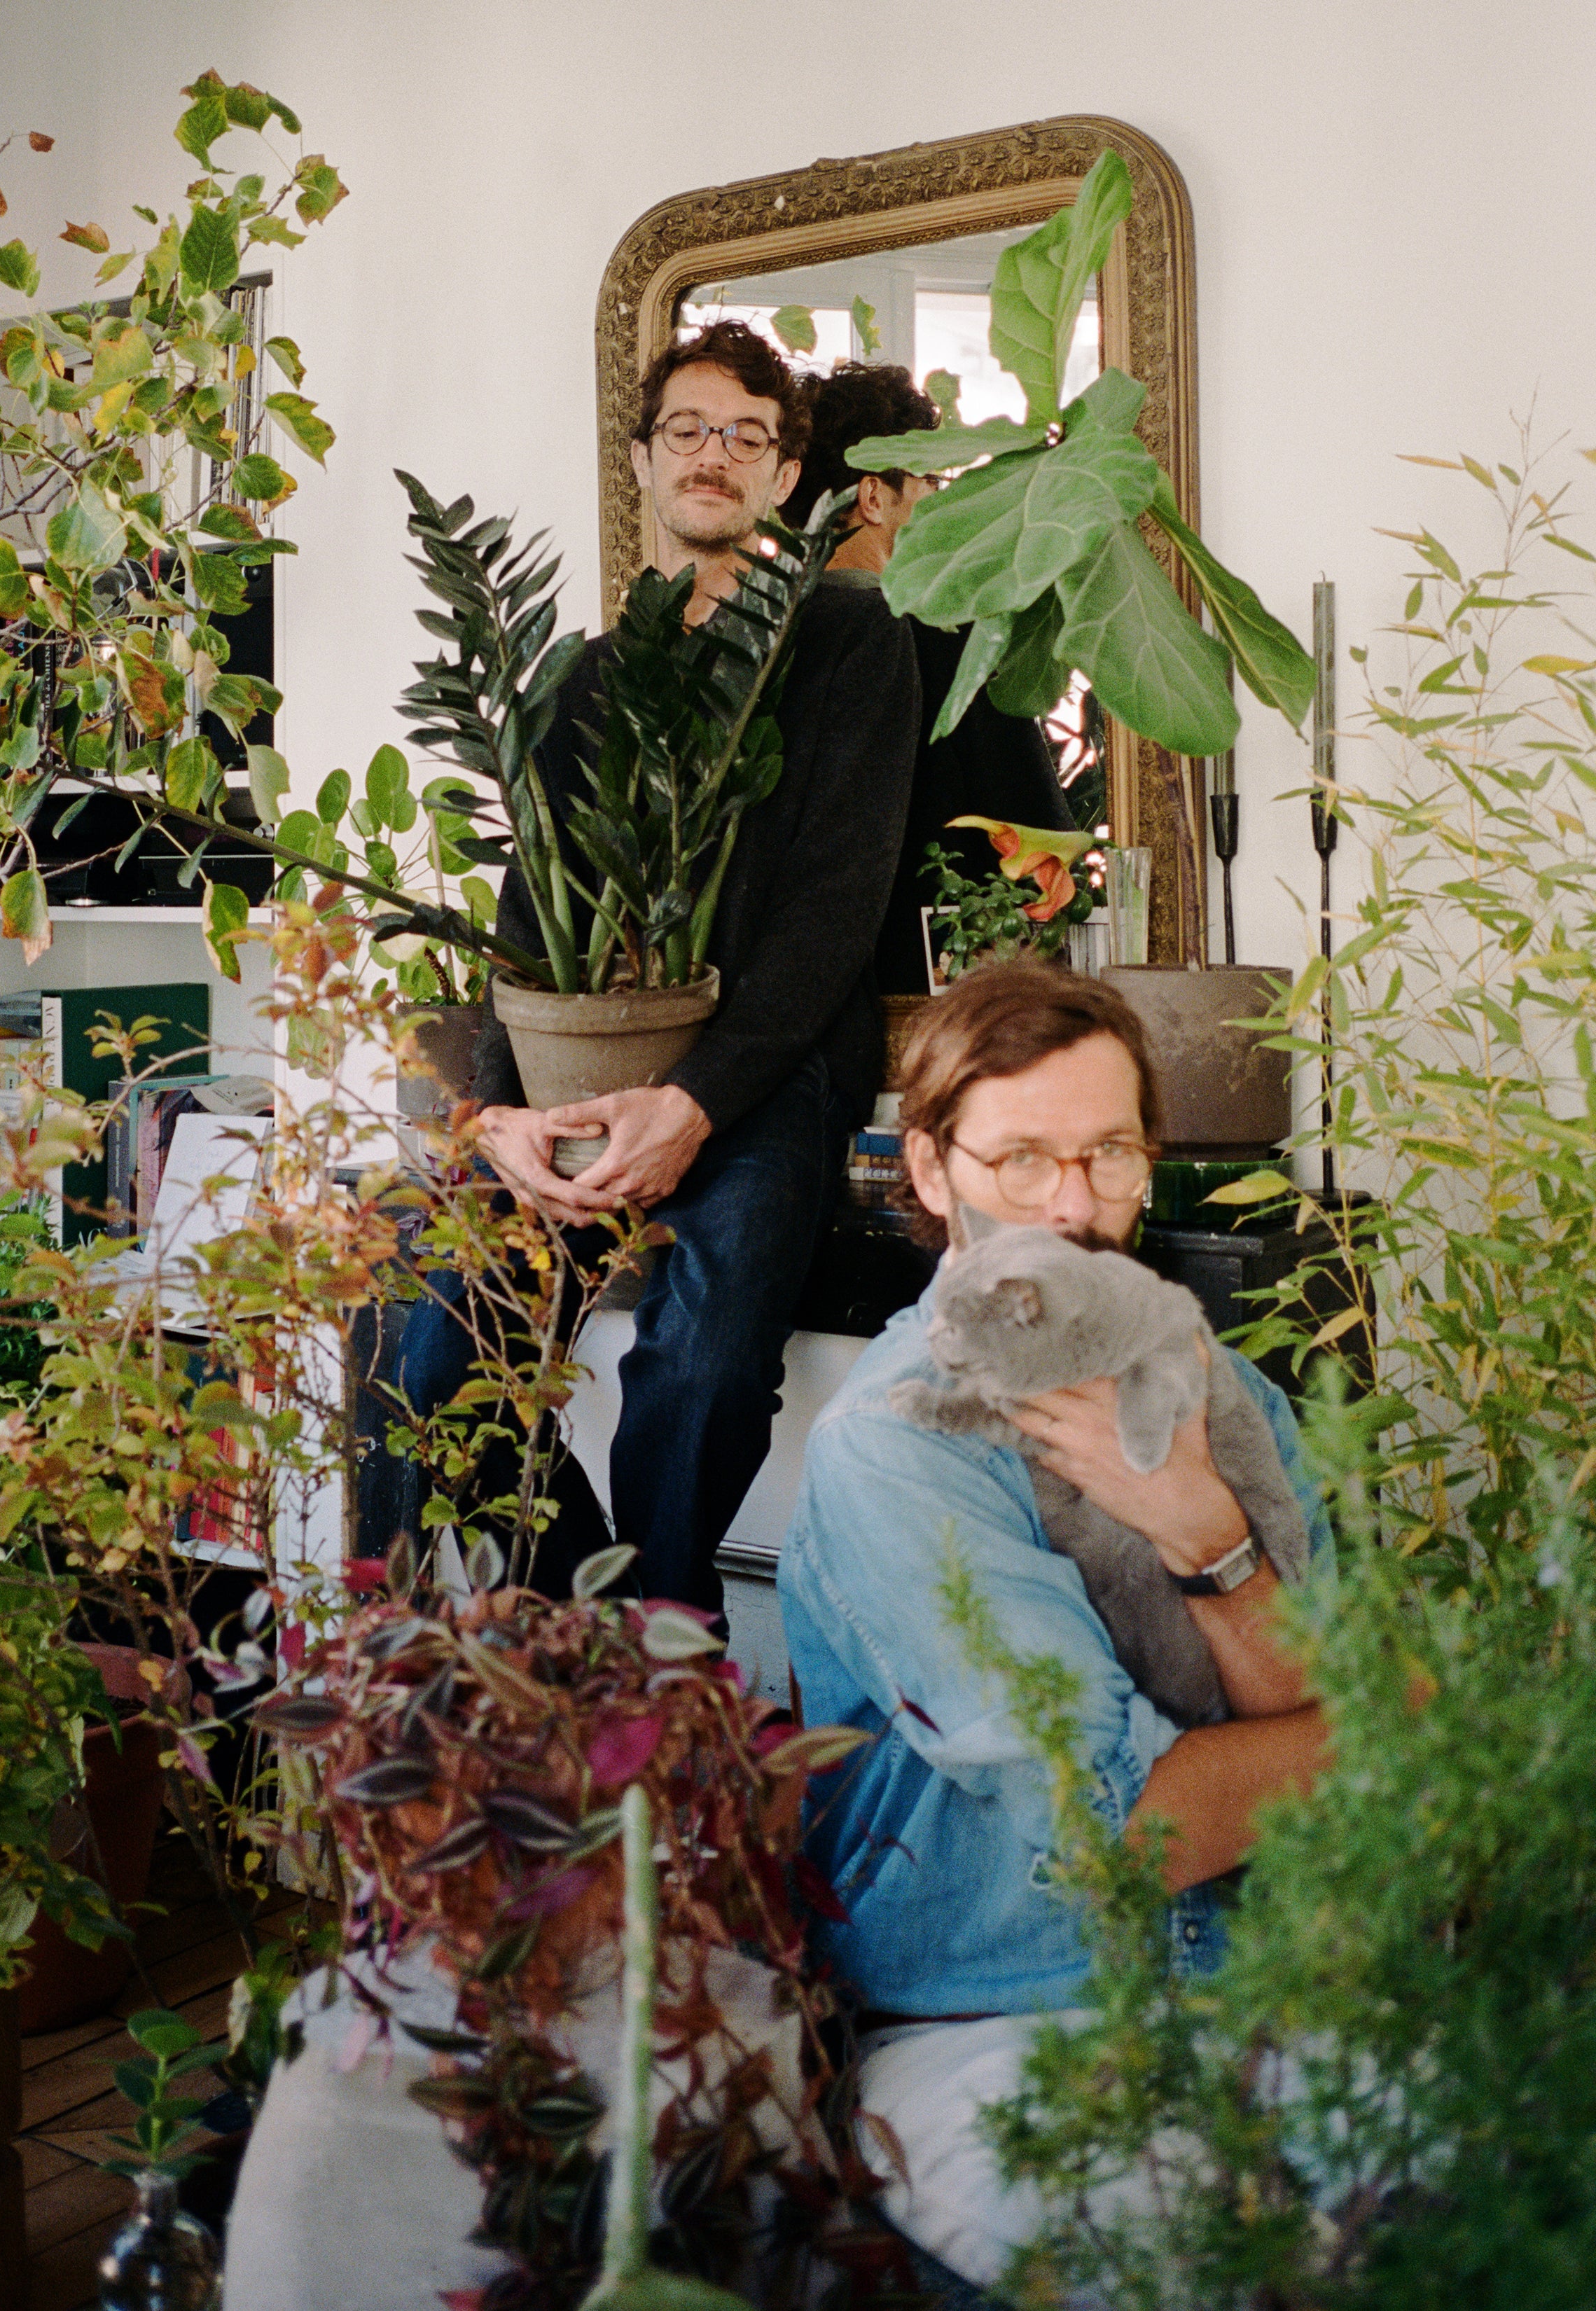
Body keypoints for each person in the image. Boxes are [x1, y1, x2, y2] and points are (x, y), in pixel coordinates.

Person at [776, 961, 1333, 2289]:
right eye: (1021, 1160)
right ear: (929, 1169)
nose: (1076, 1210)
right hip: (1002, 2014)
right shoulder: (897, 1446)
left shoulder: (1234, 1391)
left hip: (1271, 1981)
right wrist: (1375, 1730)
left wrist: (1210, 1534)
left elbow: (1339, 1742)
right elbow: (1128, 1835)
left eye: (1111, 1155)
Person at [401, 320, 921, 1613]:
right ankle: (595, 1615)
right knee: (428, 1342)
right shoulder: (585, 678)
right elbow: (532, 914)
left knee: (705, 1368)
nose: (715, 455)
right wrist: (506, 1114)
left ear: (788, 476)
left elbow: (834, 910)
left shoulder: (855, 644)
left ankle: (663, 1675)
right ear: (641, 458)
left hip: (767, 1078)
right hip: (578, 1072)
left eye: (749, 436)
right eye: (688, 430)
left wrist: (692, 1104)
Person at [785, 363, 1077, 994]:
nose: (936, 501)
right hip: (940, 985)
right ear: (872, 498)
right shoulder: (946, 638)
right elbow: (1035, 836)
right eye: (928, 480)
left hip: (802, 993)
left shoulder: (761, 648)